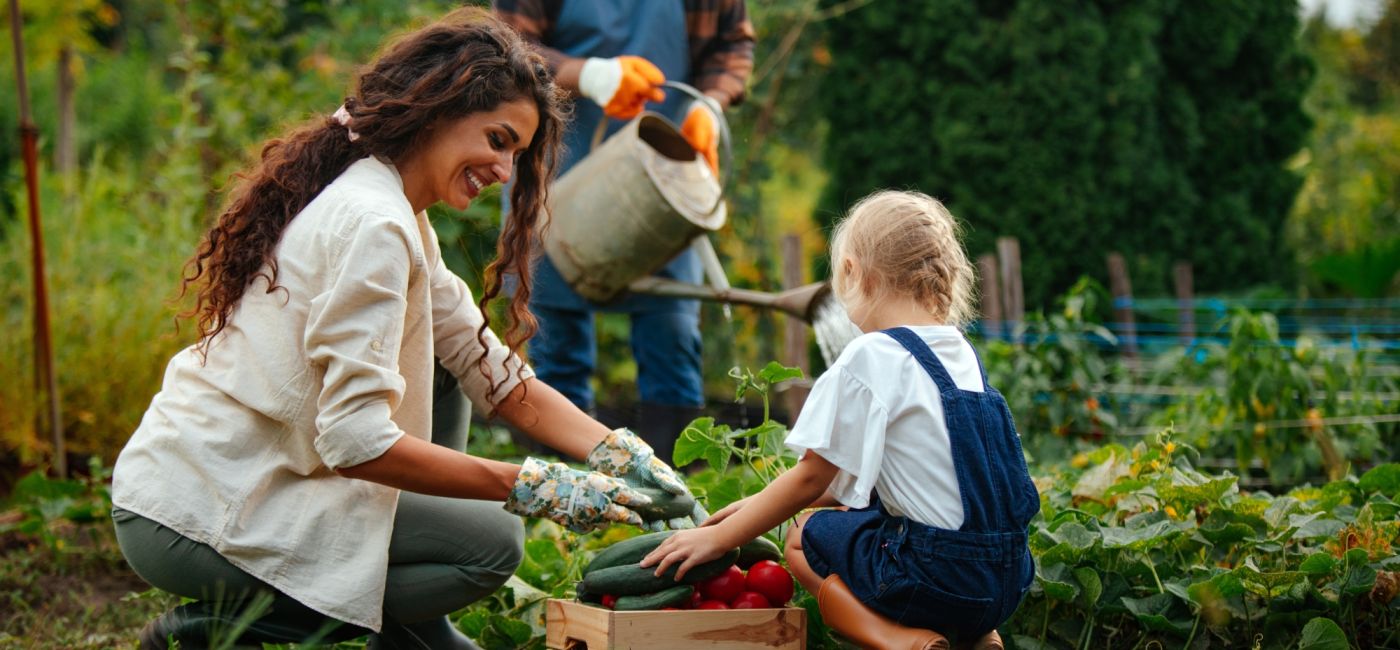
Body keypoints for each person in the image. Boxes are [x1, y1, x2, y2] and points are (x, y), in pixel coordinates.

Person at [109, 9, 697, 649]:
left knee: (442, 365)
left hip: (259, 472)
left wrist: (621, 454)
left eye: (518, 154)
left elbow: (494, 375)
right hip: (199, 509)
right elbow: (356, 442)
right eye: (498, 140)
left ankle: (418, 635)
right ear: (442, 109)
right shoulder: (374, 224)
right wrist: (531, 484)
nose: (506, 170)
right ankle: (200, 634)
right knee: (490, 542)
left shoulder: (400, 213)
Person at [639, 191, 1040, 649]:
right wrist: (751, 509)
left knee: (801, 536)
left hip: (932, 579)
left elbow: (812, 478)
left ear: (851, 271)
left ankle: (899, 641)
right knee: (875, 519)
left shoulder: (872, 354)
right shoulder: (959, 353)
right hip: (1007, 578)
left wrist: (720, 539)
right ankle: (979, 635)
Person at [493, 0, 755, 464]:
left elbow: (731, 46)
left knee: (672, 339)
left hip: (663, 176)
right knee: (558, 348)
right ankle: (568, 511)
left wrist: (709, 107)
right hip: (555, 171)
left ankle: (680, 506)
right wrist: (587, 73)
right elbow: (505, 43)